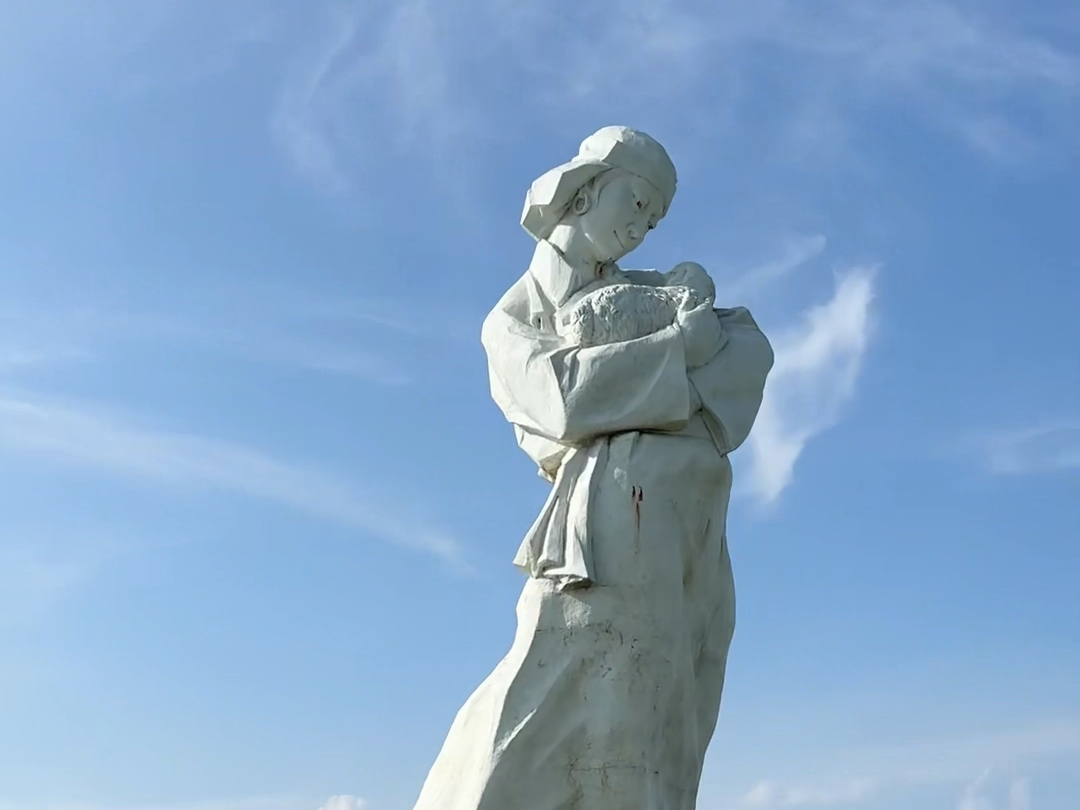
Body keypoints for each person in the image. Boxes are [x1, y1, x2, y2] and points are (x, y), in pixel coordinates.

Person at [411, 126, 773, 810]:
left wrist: (661, 373)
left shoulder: (649, 292)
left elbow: (749, 355)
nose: (640, 227)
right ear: (584, 190)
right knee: (553, 689)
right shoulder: (511, 321)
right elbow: (562, 398)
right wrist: (680, 352)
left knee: (667, 714)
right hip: (603, 524)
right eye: (634, 202)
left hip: (689, 522)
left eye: (653, 217)